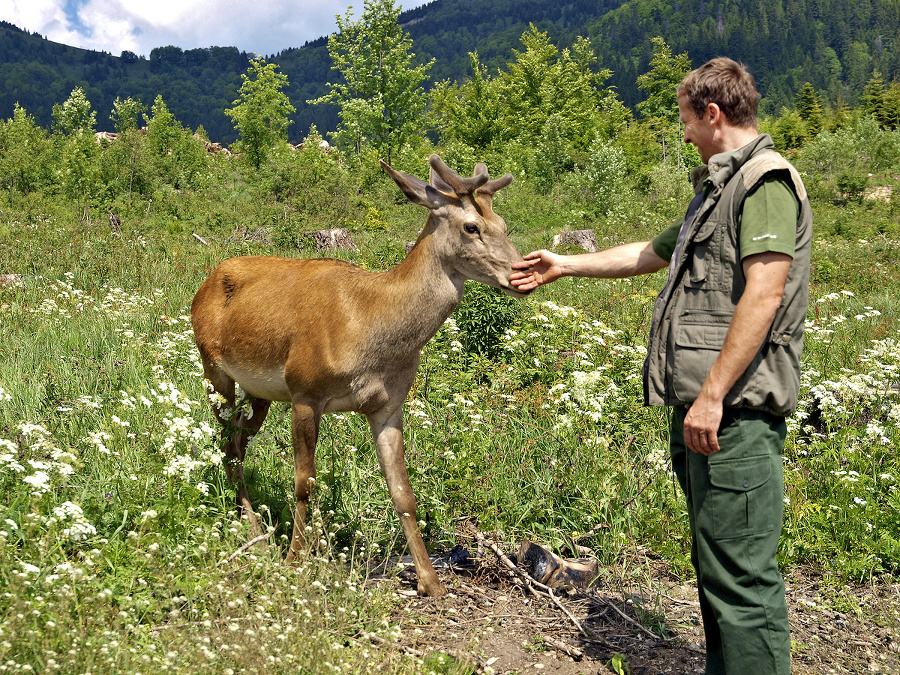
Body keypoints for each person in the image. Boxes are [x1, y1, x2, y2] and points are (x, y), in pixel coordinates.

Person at [510, 57, 811, 675]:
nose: (683, 136)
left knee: (743, 581)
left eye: (685, 122)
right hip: (708, 416)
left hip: (734, 417)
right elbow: (651, 252)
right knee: (717, 566)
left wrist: (712, 396)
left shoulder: (766, 184)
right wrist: (565, 265)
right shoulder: (719, 188)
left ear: (713, 113)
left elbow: (765, 294)